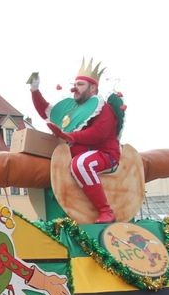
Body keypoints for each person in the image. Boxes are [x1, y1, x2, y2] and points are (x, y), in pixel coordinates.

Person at [29, 59, 123, 223]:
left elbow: (98, 134)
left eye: (80, 84)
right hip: (76, 153)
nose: (75, 88)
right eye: (75, 84)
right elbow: (48, 112)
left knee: (81, 164)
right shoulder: (73, 109)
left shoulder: (104, 109)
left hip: (106, 155)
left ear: (92, 88)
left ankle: (105, 210)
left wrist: (70, 137)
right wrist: (35, 90)